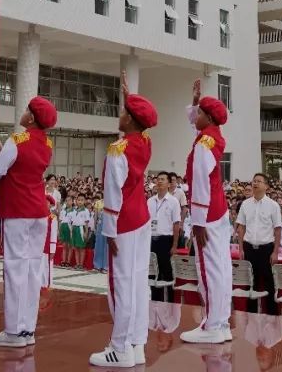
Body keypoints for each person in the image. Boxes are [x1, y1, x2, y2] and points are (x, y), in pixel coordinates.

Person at [89, 77, 154, 368]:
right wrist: (132, 98)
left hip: (124, 222)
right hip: (141, 219)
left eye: (124, 111)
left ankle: (119, 348)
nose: (120, 114)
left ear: (130, 120)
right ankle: (136, 344)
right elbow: (142, 123)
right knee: (139, 283)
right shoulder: (144, 142)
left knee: (121, 285)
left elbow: (113, 192)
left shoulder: (119, 149)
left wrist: (110, 230)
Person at [0, 96, 56, 348]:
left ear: (32, 118)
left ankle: (13, 331)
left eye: (27, 110)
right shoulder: (48, 143)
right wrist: (2, 151)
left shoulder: (16, 140)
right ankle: (28, 328)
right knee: (33, 269)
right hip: (38, 211)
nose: (24, 112)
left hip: (17, 210)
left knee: (15, 267)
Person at [179, 81, 233, 345]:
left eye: (199, 113)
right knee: (221, 268)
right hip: (218, 211)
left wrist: (197, 222)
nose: (195, 117)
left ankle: (212, 324)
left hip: (208, 214)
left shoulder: (203, 144)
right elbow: (197, 124)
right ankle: (220, 322)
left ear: (208, 117)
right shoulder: (213, 136)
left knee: (208, 269)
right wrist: (196, 100)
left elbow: (199, 183)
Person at [235, 172, 282, 315]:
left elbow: (277, 229)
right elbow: (241, 227)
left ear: (266, 186)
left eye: (259, 181)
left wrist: (275, 252)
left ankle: (272, 318)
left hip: (266, 249)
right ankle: (251, 316)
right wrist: (241, 248)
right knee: (250, 284)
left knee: (269, 285)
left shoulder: (273, 205)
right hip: (249, 248)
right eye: (254, 181)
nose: (255, 183)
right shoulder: (245, 204)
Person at [148, 171, 181, 302]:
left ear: (168, 183)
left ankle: (170, 304)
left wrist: (174, 245)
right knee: (153, 273)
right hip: (151, 240)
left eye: (162, 179)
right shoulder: (150, 201)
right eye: (158, 179)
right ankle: (156, 302)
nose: (159, 181)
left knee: (166, 274)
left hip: (166, 241)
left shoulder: (173, 202)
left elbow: (176, 224)